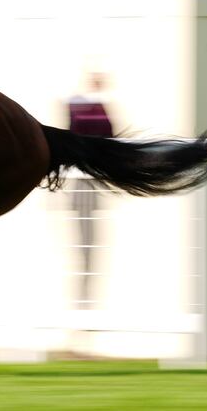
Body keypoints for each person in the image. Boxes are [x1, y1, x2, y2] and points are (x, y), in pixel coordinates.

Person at [68, 71, 114, 309]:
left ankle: (85, 299)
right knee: (84, 247)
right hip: (85, 186)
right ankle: (83, 300)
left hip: (88, 187)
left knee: (87, 247)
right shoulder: (88, 107)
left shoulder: (90, 107)